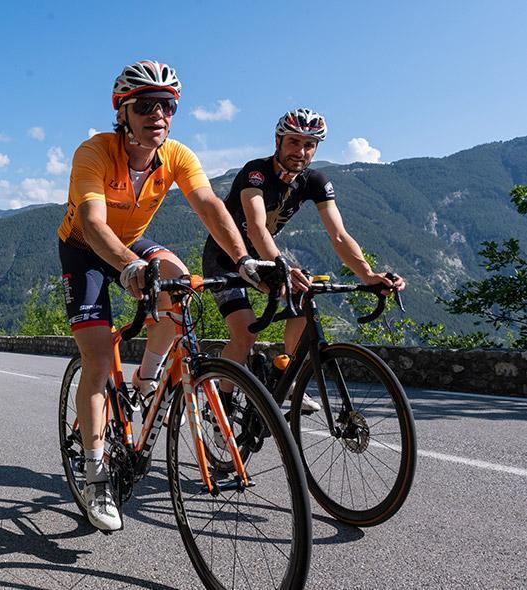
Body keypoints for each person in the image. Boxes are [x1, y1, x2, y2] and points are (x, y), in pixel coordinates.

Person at [57, 60, 270, 532]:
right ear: (124, 112)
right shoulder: (94, 152)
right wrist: (130, 267)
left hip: (132, 241)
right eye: (147, 106)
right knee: (95, 358)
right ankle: (95, 478)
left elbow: (211, 207)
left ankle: (146, 383)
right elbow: (93, 224)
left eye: (168, 106)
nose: (159, 115)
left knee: (179, 283)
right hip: (84, 248)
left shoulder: (175, 155)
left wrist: (243, 261)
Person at [201, 108, 407, 411]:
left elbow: (339, 235)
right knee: (244, 335)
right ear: (278, 141)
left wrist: (368, 274)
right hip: (227, 258)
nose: (301, 151)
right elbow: (256, 227)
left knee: (304, 293)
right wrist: (281, 264)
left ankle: (284, 373)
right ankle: (223, 401)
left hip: (266, 259)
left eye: (309, 145)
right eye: (294, 142)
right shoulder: (256, 173)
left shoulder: (314, 181)